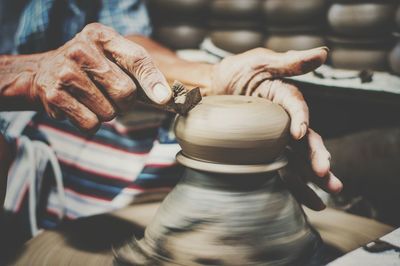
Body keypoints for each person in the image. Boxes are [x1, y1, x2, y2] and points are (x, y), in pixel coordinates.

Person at [0, 0, 342, 240]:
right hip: (9, 119)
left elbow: (126, 42)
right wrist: (27, 73)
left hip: (78, 103)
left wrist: (212, 79)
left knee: (205, 144)